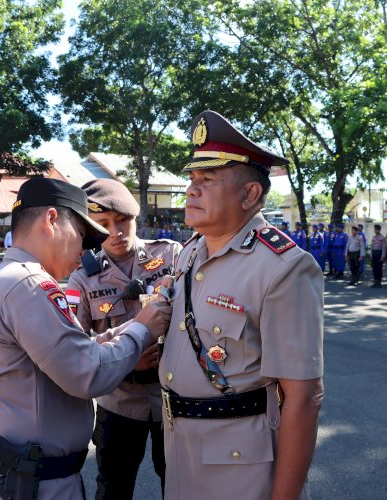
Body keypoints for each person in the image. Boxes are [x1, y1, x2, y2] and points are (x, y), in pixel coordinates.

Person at [0, 178, 172, 500]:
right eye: (83, 235)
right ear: (51, 220)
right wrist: (142, 330)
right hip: (27, 482)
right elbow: (87, 372)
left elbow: (73, 351)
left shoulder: (16, 279)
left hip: (29, 476)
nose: (86, 249)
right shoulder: (29, 285)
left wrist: (125, 332)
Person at [159, 110, 324, 499]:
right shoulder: (189, 253)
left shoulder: (283, 267)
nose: (192, 190)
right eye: (192, 179)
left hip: (239, 465)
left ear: (250, 195)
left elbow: (304, 396)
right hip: (179, 446)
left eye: (208, 180)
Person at [66, 179, 181, 500]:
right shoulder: (81, 279)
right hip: (119, 404)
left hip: (173, 399)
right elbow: (74, 347)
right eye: (102, 225)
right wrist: (127, 357)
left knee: (180, 484)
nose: (115, 232)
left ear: (136, 217)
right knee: (114, 488)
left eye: (122, 221)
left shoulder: (171, 255)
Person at [370, 224, 386, 288]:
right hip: (374, 254)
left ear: (379, 230)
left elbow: (384, 247)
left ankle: (379, 282)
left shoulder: (382, 237)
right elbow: (372, 246)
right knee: (374, 268)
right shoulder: (373, 237)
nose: (375, 230)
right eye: (375, 229)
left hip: (379, 254)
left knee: (379, 269)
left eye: (377, 229)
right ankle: (375, 281)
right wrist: (371, 254)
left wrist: (383, 256)